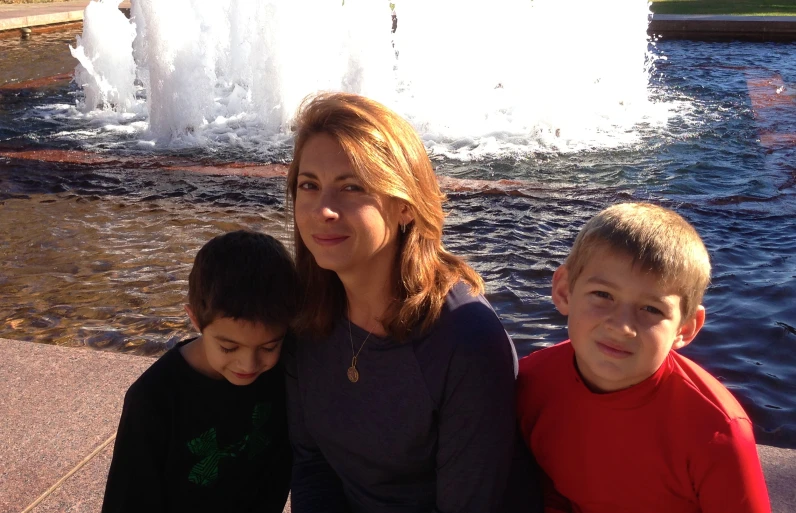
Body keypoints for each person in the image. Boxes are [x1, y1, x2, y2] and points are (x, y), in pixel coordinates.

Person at [284, 92, 535, 513]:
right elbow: (312, 467)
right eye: (309, 185)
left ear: (404, 206)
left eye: (352, 187)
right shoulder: (308, 313)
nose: (322, 209)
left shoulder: (466, 340)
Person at [516, 202, 771, 513]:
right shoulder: (530, 384)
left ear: (685, 328)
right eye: (603, 295)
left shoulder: (716, 430)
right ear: (565, 291)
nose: (621, 326)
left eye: (651, 309)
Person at [101, 230, 296, 513]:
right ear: (195, 319)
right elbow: (127, 497)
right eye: (229, 348)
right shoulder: (154, 398)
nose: (249, 364)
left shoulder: (285, 372)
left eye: (268, 347)